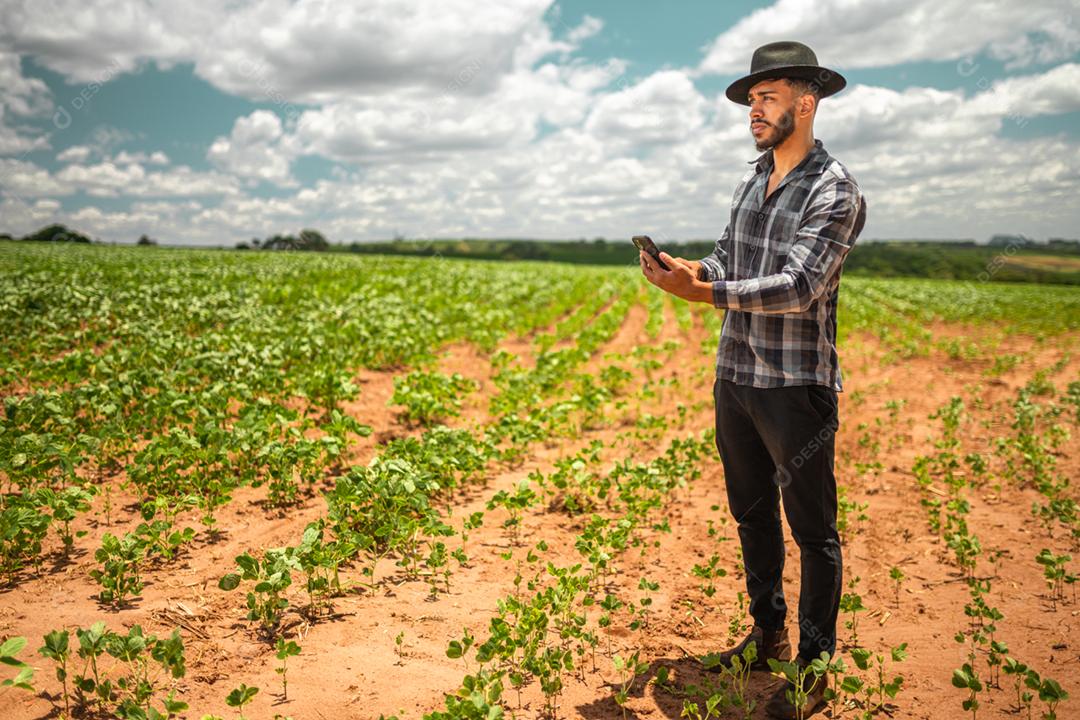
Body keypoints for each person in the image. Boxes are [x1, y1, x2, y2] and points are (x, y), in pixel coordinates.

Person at [639, 40, 866, 719]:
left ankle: (815, 665)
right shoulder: (751, 176)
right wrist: (694, 270)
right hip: (736, 373)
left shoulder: (836, 190)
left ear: (807, 102)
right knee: (750, 512)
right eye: (751, 100)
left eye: (767, 98)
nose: (754, 111)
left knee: (813, 529)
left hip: (795, 384)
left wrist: (704, 296)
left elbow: (798, 286)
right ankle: (766, 636)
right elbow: (730, 256)